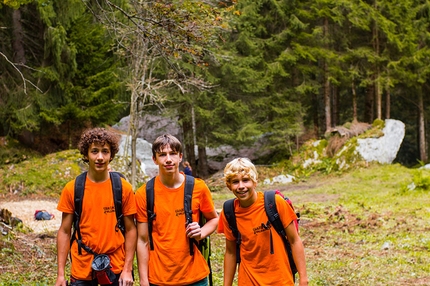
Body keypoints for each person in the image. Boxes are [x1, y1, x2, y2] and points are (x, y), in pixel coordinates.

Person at [55, 127, 137, 286]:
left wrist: (127, 269)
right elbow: (65, 231)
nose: (100, 157)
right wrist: (60, 275)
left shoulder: (122, 188)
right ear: (86, 154)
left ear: (111, 155)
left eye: (105, 151)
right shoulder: (73, 189)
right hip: (82, 266)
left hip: (116, 266)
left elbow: (131, 229)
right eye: (94, 151)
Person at [135, 134, 219, 286]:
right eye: (162, 155)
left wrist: (202, 232)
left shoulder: (198, 188)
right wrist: (143, 280)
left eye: (173, 154)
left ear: (180, 157)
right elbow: (142, 240)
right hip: (159, 278)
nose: (168, 159)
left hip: (195, 276)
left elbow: (214, 219)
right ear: (154, 159)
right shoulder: (144, 194)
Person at [217, 158, 308, 286]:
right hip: (247, 280)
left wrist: (303, 279)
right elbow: (230, 252)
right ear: (229, 185)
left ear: (254, 182)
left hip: (280, 280)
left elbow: (294, 240)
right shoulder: (228, 212)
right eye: (235, 182)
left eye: (246, 180)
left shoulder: (275, 203)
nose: (241, 186)